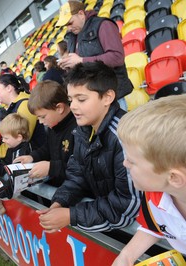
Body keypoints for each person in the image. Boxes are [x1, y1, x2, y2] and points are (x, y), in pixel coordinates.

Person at [37, 62, 141, 233]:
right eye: (71, 100)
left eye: (81, 99)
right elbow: (76, 176)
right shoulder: (82, 131)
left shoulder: (125, 137)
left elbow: (126, 207)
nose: (73, 106)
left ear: (107, 97)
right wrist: (59, 202)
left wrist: (71, 215)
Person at [112, 95, 186, 265]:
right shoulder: (154, 193)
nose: (125, 163)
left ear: (173, 178)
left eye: (132, 160)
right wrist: (126, 257)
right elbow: (155, 225)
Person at [55, 0, 133, 111]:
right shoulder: (72, 35)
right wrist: (69, 66)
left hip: (112, 95)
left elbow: (117, 57)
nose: (68, 28)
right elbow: (80, 63)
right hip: (92, 96)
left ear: (81, 14)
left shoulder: (103, 25)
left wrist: (81, 61)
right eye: (66, 25)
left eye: (70, 23)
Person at [14, 80, 77, 187]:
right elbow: (48, 148)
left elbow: (80, 169)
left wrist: (51, 168)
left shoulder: (78, 129)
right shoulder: (54, 127)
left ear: (59, 108)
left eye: (42, 117)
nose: (40, 121)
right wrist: (32, 157)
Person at [0, 113, 32, 220]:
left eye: (5, 138)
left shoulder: (23, 150)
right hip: (6, 171)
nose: (3, 140)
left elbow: (16, 171)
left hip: (15, 182)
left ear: (19, 137)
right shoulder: (11, 146)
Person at [0, 74, 46, 163]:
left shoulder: (24, 105)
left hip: (36, 159)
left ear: (9, 88)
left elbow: (20, 139)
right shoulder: (14, 106)